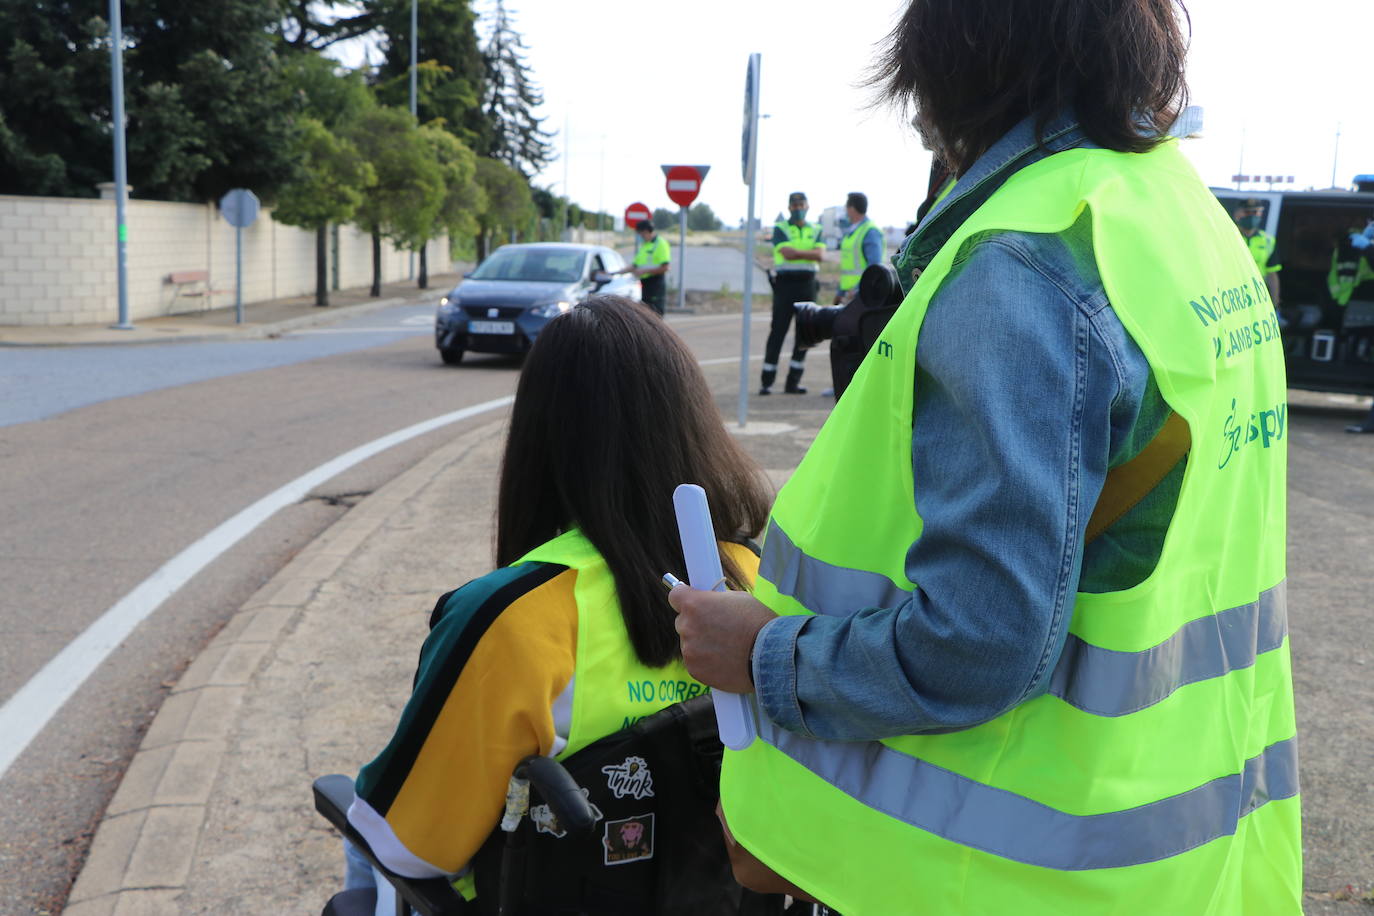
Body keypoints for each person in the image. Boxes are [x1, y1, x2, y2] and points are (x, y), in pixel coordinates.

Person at [670, 1, 1301, 913]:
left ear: (964, 59)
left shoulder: (1021, 266)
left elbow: (983, 643)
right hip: (1174, 849)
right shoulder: (1185, 222)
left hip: (1014, 875)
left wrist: (767, 656)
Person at [343, 295, 772, 911]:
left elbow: (411, 847)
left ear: (540, 438)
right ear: (694, 422)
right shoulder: (758, 584)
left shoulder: (513, 618)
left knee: (363, 832)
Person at [761, 192, 824, 395]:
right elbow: (785, 252)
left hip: (808, 284)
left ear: (807, 206)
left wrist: (797, 253)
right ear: (789, 208)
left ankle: (793, 383)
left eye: (801, 204)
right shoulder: (780, 228)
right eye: (794, 205)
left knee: (804, 333)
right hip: (785, 286)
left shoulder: (816, 229)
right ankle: (767, 382)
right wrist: (807, 253)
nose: (798, 208)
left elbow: (820, 255)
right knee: (778, 331)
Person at [835, 192, 886, 305]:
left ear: (852, 208)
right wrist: (840, 291)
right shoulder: (852, 231)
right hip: (848, 294)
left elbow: (874, 267)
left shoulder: (870, 231)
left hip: (861, 295)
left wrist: (857, 290)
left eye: (846, 207)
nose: (845, 210)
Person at [1233, 198, 1282, 306]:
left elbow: (1272, 274)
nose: (1251, 216)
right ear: (1237, 214)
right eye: (1247, 212)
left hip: (1257, 296)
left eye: (1255, 212)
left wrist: (1275, 302)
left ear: (1260, 214)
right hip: (1231, 295)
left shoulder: (1268, 240)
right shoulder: (1228, 237)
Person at [617, 219, 672, 315]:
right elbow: (635, 266)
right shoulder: (645, 245)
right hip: (645, 286)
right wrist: (617, 272)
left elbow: (665, 267)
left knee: (655, 317)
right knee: (646, 317)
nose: (640, 237)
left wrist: (645, 271)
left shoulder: (660, 244)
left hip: (656, 285)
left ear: (646, 231)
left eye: (641, 234)